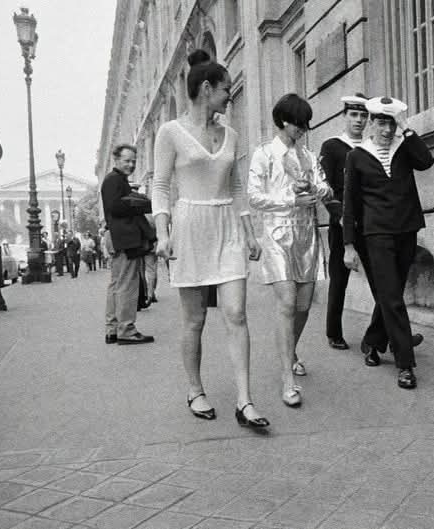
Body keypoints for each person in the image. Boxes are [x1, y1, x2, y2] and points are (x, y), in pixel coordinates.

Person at [153, 49, 268, 428]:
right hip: (190, 227)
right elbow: (160, 185)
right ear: (206, 89)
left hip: (228, 228)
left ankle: (245, 401)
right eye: (225, 91)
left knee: (236, 312)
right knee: (195, 320)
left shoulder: (231, 134)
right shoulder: (170, 132)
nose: (229, 98)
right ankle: (195, 388)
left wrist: (250, 232)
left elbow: (236, 187)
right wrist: (163, 233)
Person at [343, 96, 433, 389]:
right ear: (371, 123)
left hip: (406, 229)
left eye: (391, 122)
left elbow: (426, 161)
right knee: (393, 297)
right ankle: (405, 362)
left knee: (389, 293)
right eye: (381, 122)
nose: (386, 129)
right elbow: (350, 205)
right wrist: (348, 245)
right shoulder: (357, 156)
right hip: (376, 234)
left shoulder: (404, 147)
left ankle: (373, 341)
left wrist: (407, 129)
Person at [248, 93, 332, 407]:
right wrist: (289, 200)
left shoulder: (308, 157)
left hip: (307, 236)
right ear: (284, 121)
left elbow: (326, 189)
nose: (303, 129)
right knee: (286, 301)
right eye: (300, 123)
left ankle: (290, 350)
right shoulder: (264, 154)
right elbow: (254, 197)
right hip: (276, 234)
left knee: (304, 304)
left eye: (305, 124)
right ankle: (288, 378)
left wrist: (314, 187)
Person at [320, 94, 368, 350]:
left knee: (384, 281)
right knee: (339, 279)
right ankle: (334, 332)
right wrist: (339, 217)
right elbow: (324, 188)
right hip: (342, 222)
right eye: (353, 114)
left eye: (363, 115)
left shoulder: (371, 146)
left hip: (371, 222)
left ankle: (386, 335)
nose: (359, 120)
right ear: (344, 116)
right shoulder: (332, 146)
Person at [101, 143, 156, 345]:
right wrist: (140, 202)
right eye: (127, 160)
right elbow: (116, 207)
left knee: (116, 284)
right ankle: (127, 330)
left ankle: (113, 329)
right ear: (117, 160)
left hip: (118, 238)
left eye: (134, 161)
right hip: (124, 239)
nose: (131, 164)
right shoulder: (115, 180)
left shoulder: (114, 180)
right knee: (127, 285)